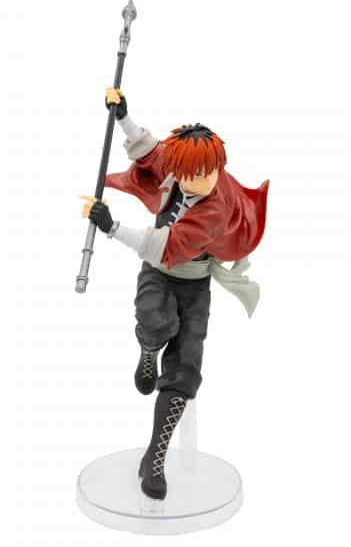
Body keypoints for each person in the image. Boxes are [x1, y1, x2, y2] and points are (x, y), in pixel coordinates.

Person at [80, 87, 269, 500]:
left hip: (193, 282)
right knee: (155, 321)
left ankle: (156, 457)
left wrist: (111, 227)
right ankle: (149, 350)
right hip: (158, 276)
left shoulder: (215, 207)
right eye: (192, 173)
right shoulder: (181, 162)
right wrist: (123, 117)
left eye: (209, 171)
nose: (202, 180)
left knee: (185, 370)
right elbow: (151, 152)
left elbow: (163, 245)